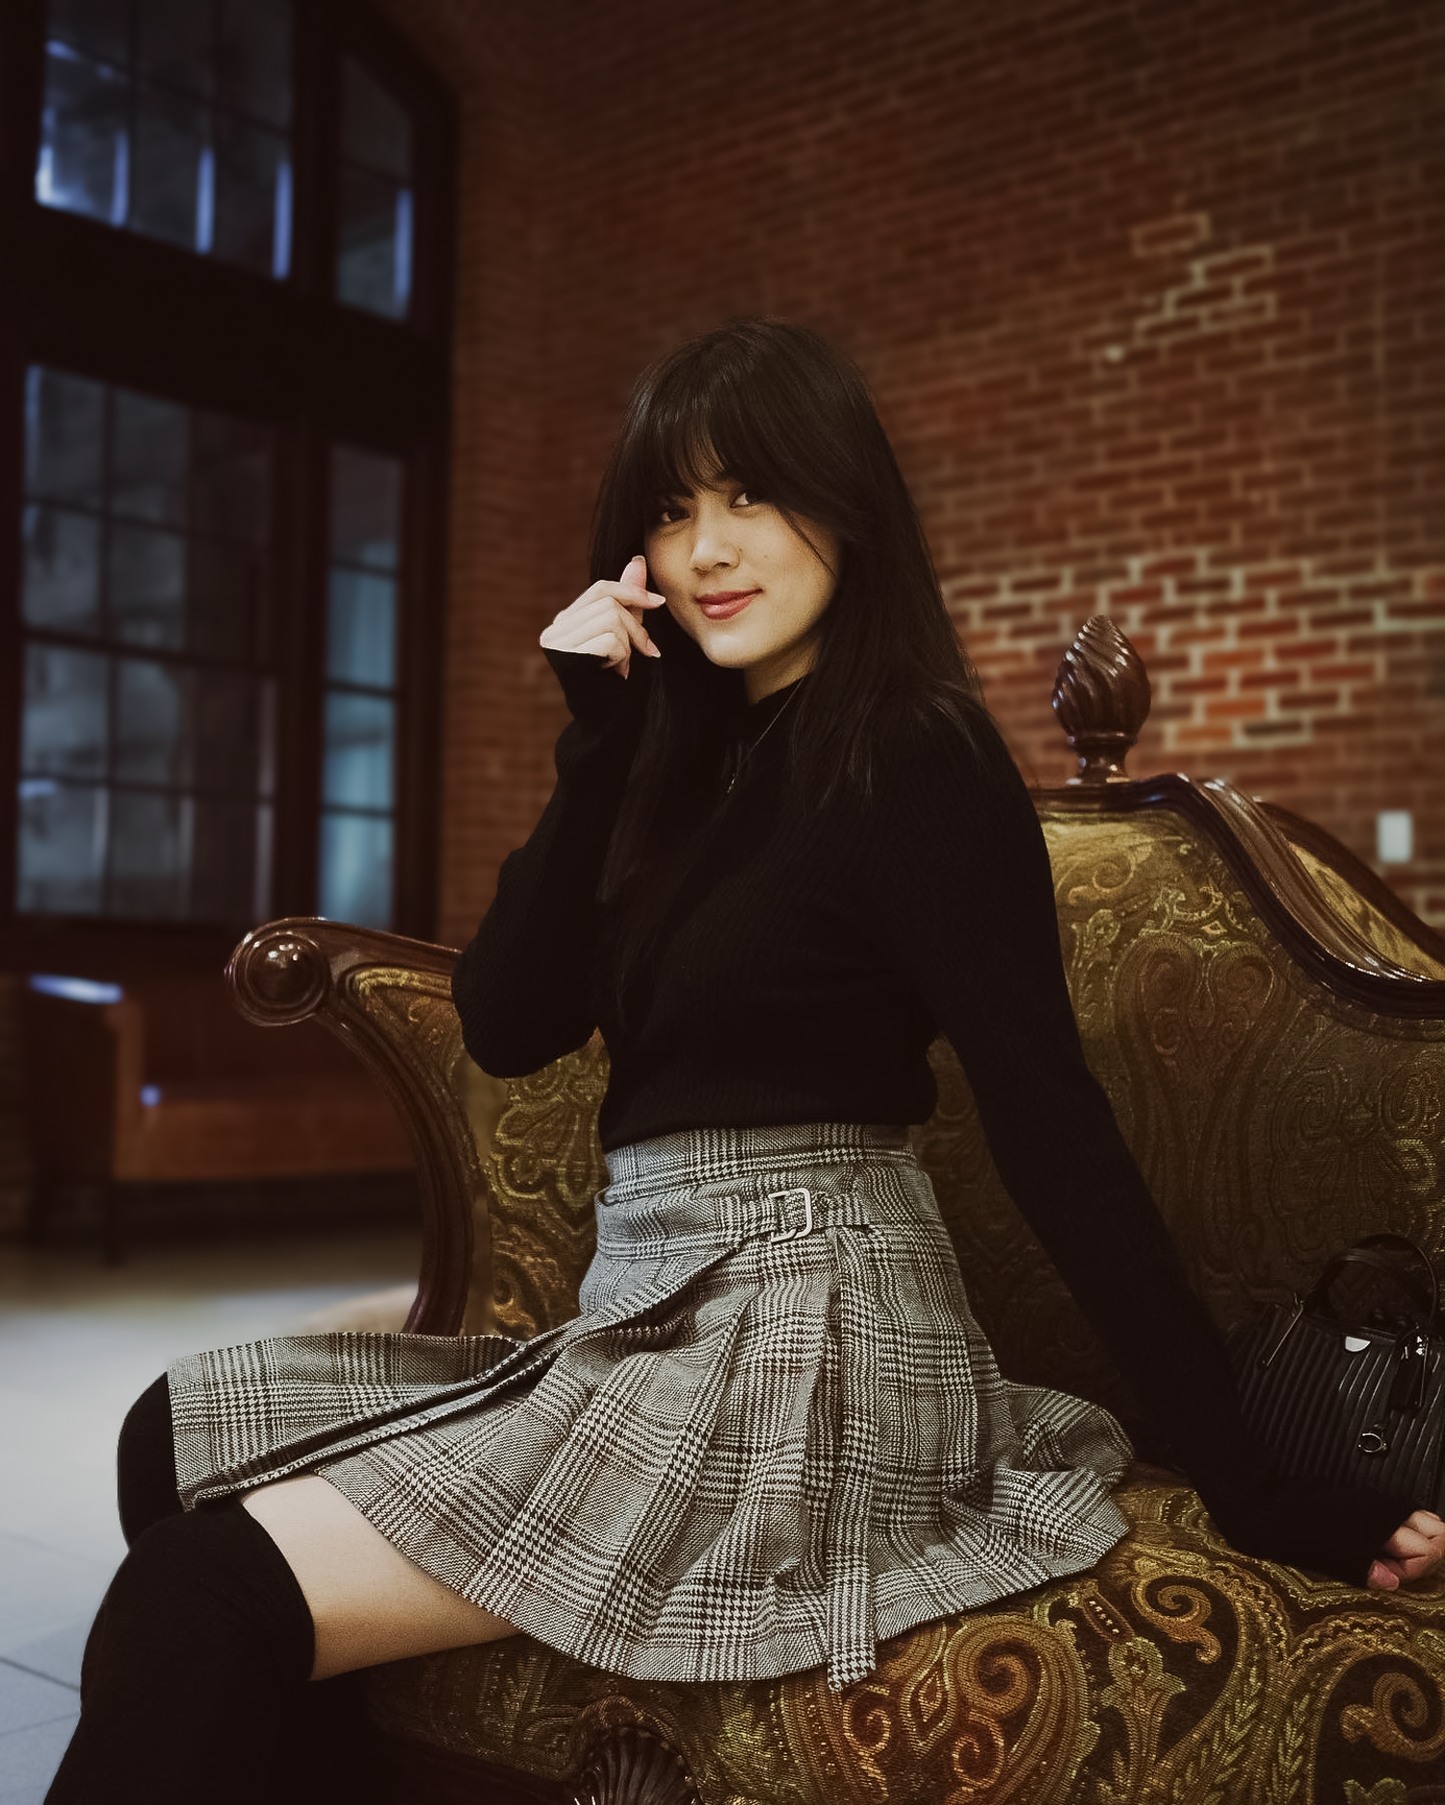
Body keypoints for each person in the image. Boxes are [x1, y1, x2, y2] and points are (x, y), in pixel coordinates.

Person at [48, 318, 1444, 1803]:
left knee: (199, 1588)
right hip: (653, 1302)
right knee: (172, 1436)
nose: (706, 546)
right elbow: (514, 1021)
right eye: (670, 506)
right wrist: (598, 741)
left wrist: (1248, 1480)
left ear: (845, 506)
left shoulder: (914, 751)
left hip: (809, 1332)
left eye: (749, 495)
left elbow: (1053, 1121)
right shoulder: (684, 764)